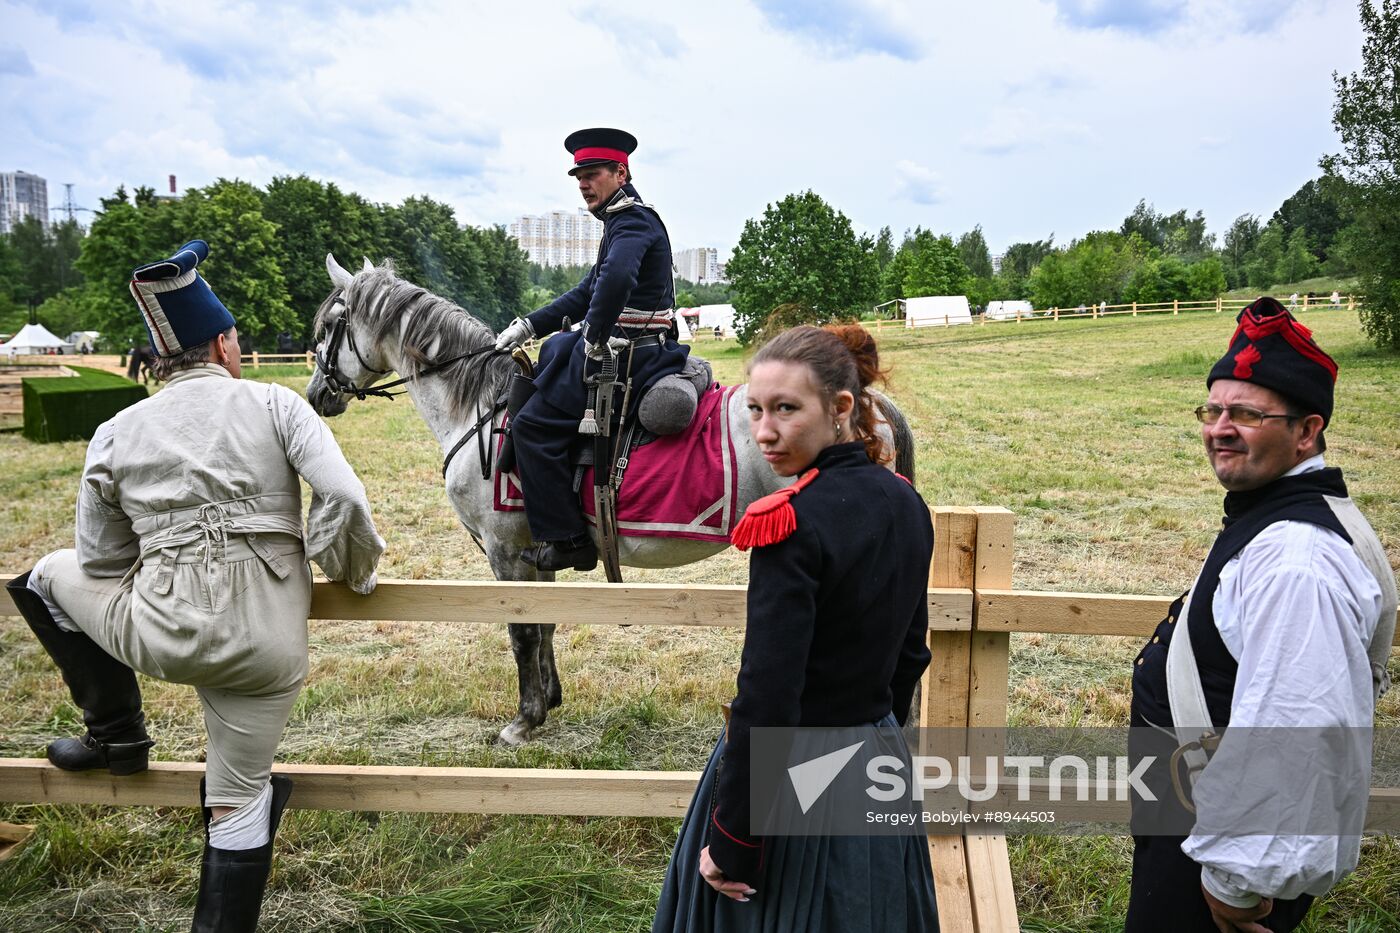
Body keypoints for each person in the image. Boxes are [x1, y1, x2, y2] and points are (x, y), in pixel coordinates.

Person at [6, 239, 386, 933]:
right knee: (236, 800)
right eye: (235, 339)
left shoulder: (115, 431)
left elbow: (99, 561)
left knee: (44, 574)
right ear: (220, 344)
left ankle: (116, 733)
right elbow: (344, 497)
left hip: (160, 638)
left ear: (162, 360)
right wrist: (351, 572)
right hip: (268, 648)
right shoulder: (278, 405)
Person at [652, 325, 939, 932]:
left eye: (786, 409)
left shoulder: (788, 523)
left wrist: (735, 839)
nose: (764, 432)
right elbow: (911, 654)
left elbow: (768, 694)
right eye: (755, 410)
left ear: (841, 407)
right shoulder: (906, 502)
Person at [1126, 296, 1396, 932]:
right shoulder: (1276, 520)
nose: (1220, 428)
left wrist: (1237, 883)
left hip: (1222, 861)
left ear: (1306, 430)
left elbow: (1295, 730)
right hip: (1198, 823)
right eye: (1213, 410)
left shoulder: (1297, 559)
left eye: (1247, 414)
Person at [494, 127, 689, 572]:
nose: (583, 184)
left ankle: (568, 541)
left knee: (532, 426)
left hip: (635, 356)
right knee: (553, 350)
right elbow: (587, 291)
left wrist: (594, 335)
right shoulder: (619, 221)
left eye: (592, 174)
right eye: (579, 177)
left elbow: (616, 280)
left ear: (621, 173)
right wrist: (527, 325)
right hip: (629, 348)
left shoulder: (633, 221)